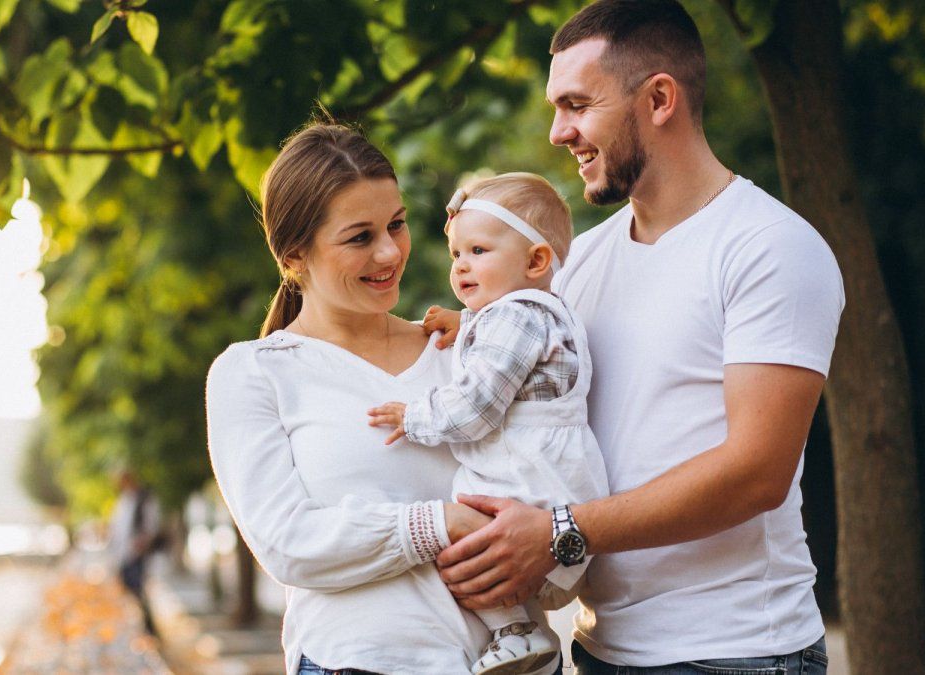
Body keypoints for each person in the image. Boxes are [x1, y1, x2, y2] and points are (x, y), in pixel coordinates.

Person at [432, 1, 845, 673]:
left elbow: (758, 472)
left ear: (658, 99)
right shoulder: (577, 265)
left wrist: (561, 531)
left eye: (576, 105)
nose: (558, 132)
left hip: (736, 654)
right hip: (601, 648)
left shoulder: (769, 247)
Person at [206, 123, 560, 675]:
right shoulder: (254, 372)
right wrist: (438, 524)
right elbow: (289, 544)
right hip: (359, 663)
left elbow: (552, 466)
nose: (390, 251)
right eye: (359, 237)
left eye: (397, 223)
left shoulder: (469, 350)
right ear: (294, 255)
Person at [367, 172, 608, 675]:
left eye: (478, 251)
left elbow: (476, 406)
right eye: (456, 254)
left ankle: (516, 629)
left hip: (527, 479)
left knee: (454, 539)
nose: (460, 266)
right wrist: (469, 322)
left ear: (536, 261)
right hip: (556, 478)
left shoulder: (514, 319)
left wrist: (415, 416)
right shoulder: (532, 313)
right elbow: (514, 354)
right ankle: (521, 628)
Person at [108, 469, 160, 635]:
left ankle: (148, 629)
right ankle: (139, 626)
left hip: (137, 553)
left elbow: (151, 525)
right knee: (129, 587)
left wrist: (142, 542)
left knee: (138, 589)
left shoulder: (144, 499)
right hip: (124, 553)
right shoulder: (124, 500)